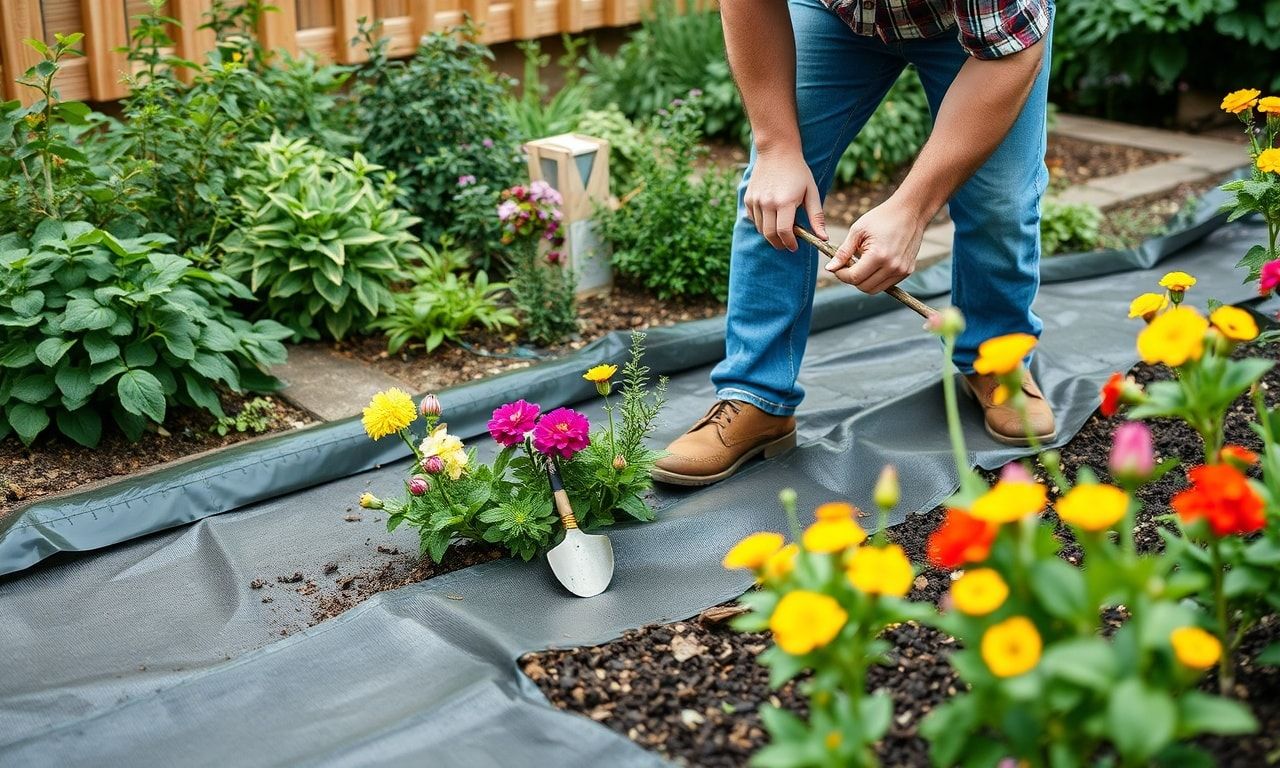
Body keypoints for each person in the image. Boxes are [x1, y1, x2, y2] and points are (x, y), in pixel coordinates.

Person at [652, 0, 1057, 487]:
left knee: (1001, 199)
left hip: (982, 32)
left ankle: (998, 357)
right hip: (835, 12)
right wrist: (777, 149)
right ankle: (756, 395)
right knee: (772, 192)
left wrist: (911, 210)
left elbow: (1008, 55)